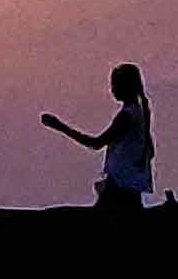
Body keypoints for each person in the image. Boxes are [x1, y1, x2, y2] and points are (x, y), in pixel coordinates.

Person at [41, 64, 154, 211]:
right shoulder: (140, 114)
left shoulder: (127, 116)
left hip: (120, 185)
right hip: (130, 185)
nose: (112, 89)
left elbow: (96, 143)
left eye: (115, 84)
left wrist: (60, 126)